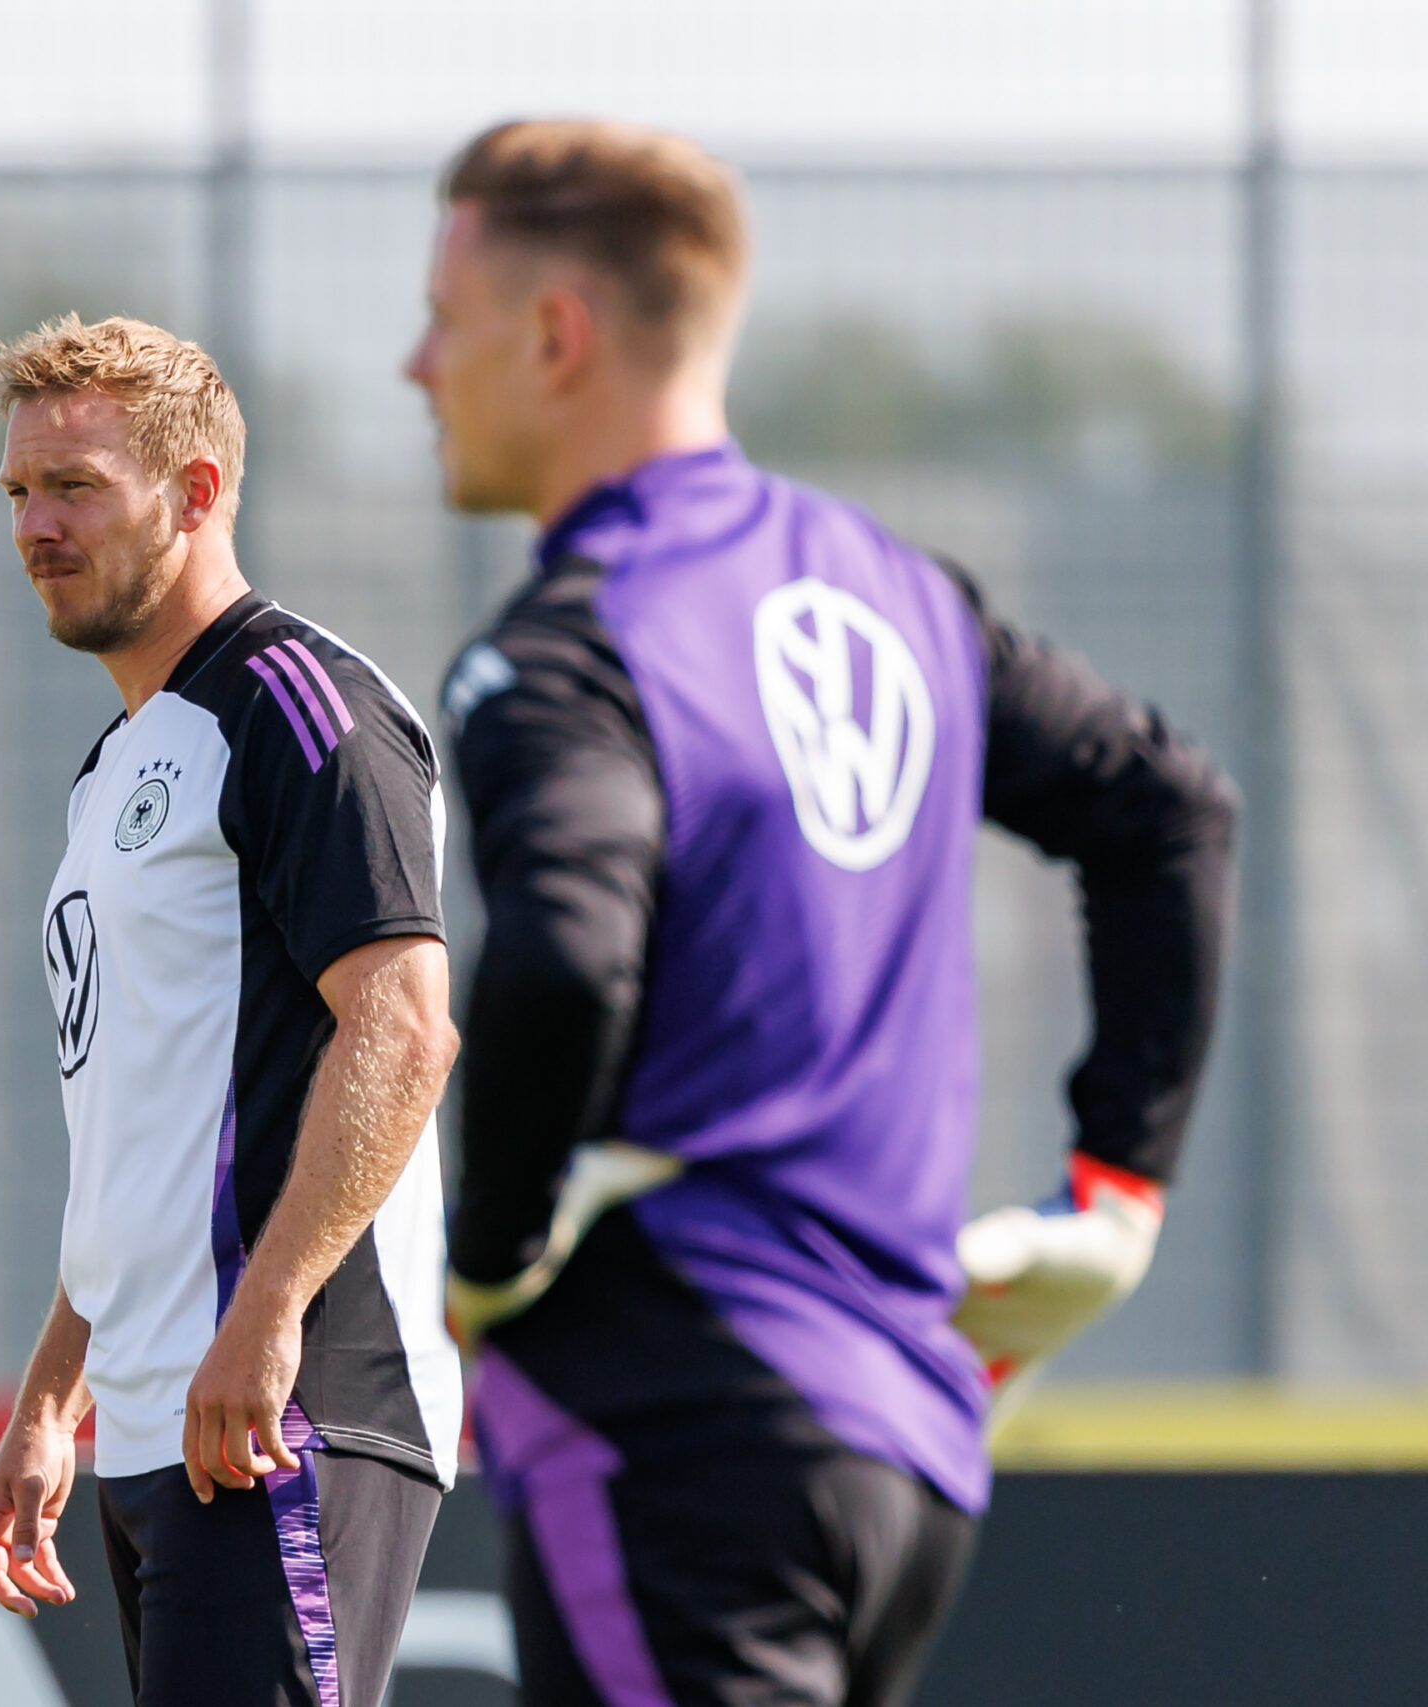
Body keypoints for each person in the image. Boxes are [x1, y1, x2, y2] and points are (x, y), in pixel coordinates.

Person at [406, 121, 1238, 1707]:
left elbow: (572, 962)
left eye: (446, 317)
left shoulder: (570, 646)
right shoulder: (900, 591)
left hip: (679, 1421)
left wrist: (492, 1248)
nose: (414, 363)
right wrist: (1120, 1185)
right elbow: (1171, 808)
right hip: (906, 1452)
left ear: (556, 335)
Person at [0, 314, 464, 1707]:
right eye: (18, 492)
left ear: (194, 495)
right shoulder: (117, 763)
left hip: (281, 1406)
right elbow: (149, 1129)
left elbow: (406, 1028)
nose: (35, 527)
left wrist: (270, 1311)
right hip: (157, 1408)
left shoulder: (301, 711)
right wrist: (54, 1397)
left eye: (76, 488)